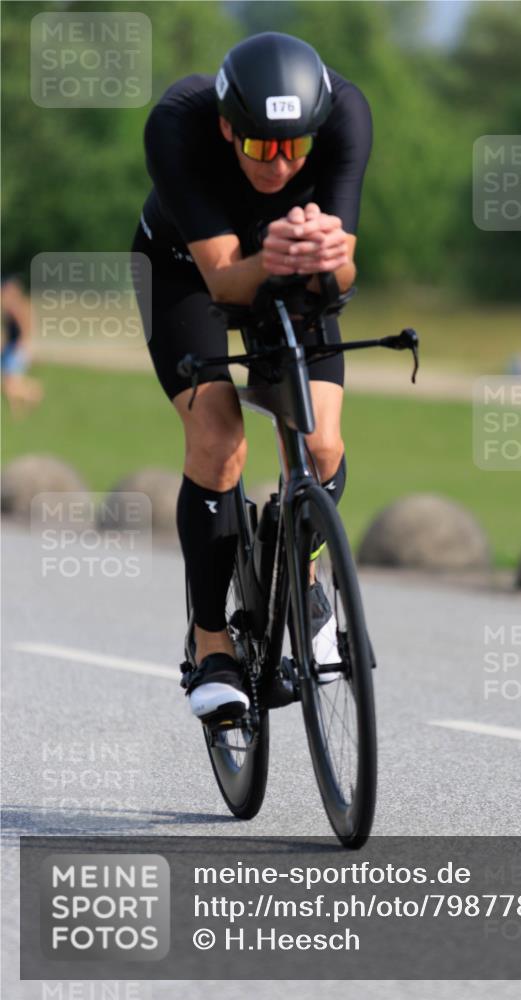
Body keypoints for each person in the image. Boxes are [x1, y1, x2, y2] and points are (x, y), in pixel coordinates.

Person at [131, 32, 372, 720]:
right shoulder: (178, 122)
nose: (279, 162)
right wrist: (277, 255)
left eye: (294, 146)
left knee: (322, 446)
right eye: (261, 145)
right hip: (187, 270)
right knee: (219, 439)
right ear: (226, 126)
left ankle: (303, 578)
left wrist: (328, 256)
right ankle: (212, 643)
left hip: (292, 268)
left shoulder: (346, 114)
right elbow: (226, 282)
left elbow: (344, 272)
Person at [1, 275, 44, 416]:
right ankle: (17, 413)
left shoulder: (20, 306)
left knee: (11, 385)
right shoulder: (10, 307)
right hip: (11, 347)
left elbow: (25, 328)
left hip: (17, 349)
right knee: (9, 384)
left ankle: (34, 392)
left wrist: (21, 347)